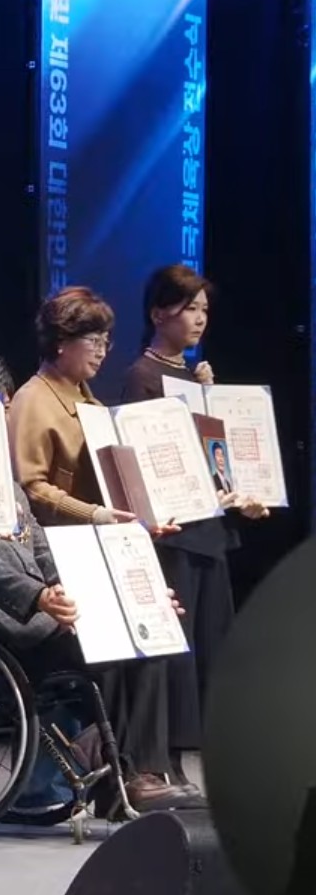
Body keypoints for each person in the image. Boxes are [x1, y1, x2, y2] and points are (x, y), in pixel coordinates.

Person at [0, 354, 195, 818]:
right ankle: (123, 774)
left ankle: (141, 773)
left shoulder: (2, 476)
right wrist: (37, 596)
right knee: (107, 648)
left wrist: (120, 597)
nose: (4, 416)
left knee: (148, 633)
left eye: (5, 405)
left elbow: (41, 548)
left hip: (43, 607)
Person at [8, 285, 200, 810]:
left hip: (101, 548)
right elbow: (29, 488)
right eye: (92, 339)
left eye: (107, 339)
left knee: (158, 629)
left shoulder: (89, 399)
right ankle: (125, 771)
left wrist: (143, 517)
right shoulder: (34, 399)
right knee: (118, 644)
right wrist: (94, 513)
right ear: (61, 341)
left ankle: (143, 768)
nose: (102, 350)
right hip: (58, 555)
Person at [121, 264, 267, 789]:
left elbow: (214, 459)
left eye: (204, 309)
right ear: (159, 313)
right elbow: (147, 455)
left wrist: (243, 494)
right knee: (175, 651)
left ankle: (190, 756)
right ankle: (158, 759)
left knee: (208, 647)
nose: (200, 319)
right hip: (173, 530)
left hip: (209, 528)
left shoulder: (197, 378)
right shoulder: (142, 376)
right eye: (190, 308)